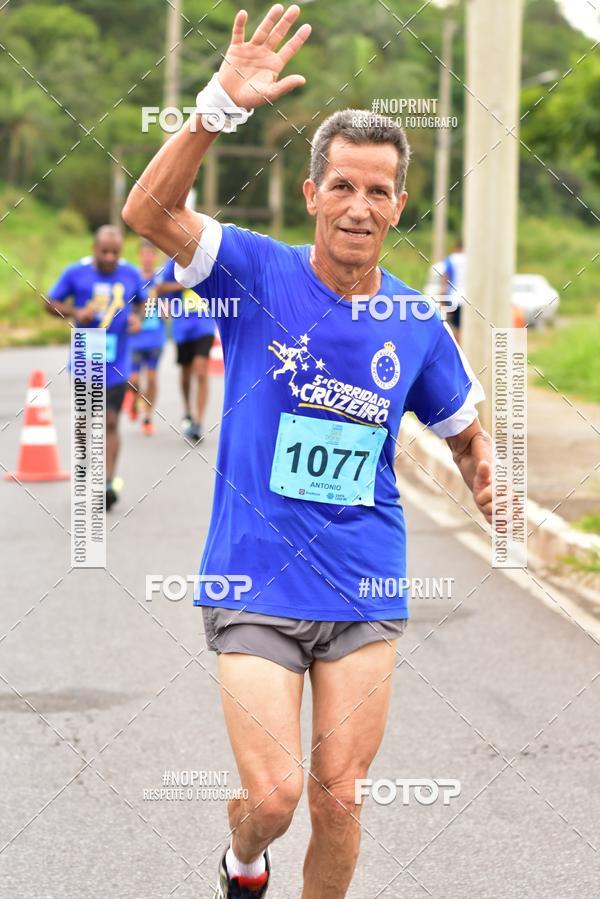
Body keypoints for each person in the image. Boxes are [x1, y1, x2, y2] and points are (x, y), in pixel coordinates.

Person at [122, 6, 494, 897]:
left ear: (400, 204)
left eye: (378, 191)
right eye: (343, 187)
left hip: (365, 573)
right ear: (312, 194)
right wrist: (217, 105)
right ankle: (244, 854)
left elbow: (465, 429)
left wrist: (490, 477)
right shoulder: (251, 270)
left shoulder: (415, 319)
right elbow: (148, 210)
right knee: (277, 794)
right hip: (254, 573)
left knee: (340, 794)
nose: (359, 207)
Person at [46, 225, 146, 510]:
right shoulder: (75, 273)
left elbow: (142, 303)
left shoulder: (130, 273)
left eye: (115, 252)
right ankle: (85, 460)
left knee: (111, 421)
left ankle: (106, 483)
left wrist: (138, 319)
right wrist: (76, 311)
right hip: (84, 361)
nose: (110, 257)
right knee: (85, 421)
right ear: (94, 248)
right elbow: (49, 303)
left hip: (117, 363)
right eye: (104, 251)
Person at [158, 256, 215, 443]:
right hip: (182, 328)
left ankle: (198, 421)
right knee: (186, 373)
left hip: (204, 325)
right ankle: (188, 411)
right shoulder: (173, 262)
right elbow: (160, 289)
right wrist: (183, 284)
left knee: (201, 369)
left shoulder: (206, 258)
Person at [124, 238, 166, 435]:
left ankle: (148, 416)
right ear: (139, 256)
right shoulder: (133, 277)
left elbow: (169, 301)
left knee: (151, 377)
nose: (147, 258)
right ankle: (133, 399)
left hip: (155, 335)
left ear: (155, 256)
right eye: (144, 254)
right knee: (132, 379)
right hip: (135, 336)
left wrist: (166, 310)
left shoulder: (160, 278)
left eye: (151, 254)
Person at [442, 239, 466, 340]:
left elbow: (445, 279)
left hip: (454, 297)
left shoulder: (451, 259)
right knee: (465, 327)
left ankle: (459, 348)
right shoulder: (472, 259)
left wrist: (442, 297)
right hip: (468, 299)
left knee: (454, 327)